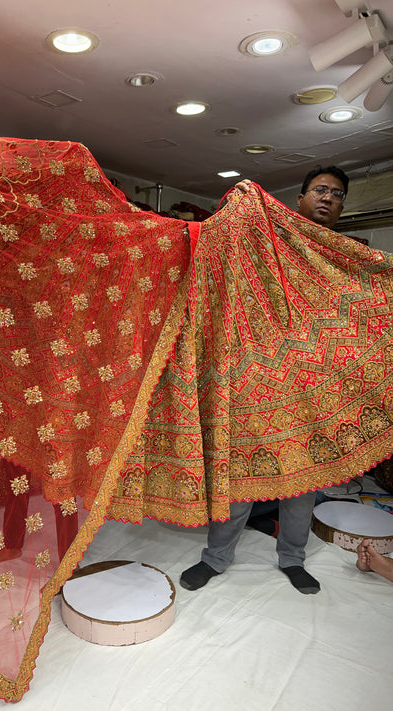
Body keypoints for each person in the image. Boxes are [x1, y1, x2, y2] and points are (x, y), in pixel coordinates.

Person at [180, 166, 350, 596]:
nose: (328, 198)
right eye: (321, 190)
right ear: (301, 198)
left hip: (313, 385)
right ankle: (216, 559)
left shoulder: (344, 255)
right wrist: (241, 198)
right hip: (257, 376)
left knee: (303, 482)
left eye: (337, 194)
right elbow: (228, 246)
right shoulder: (270, 239)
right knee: (242, 474)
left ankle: (293, 559)